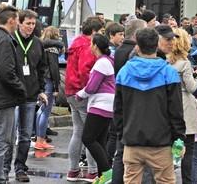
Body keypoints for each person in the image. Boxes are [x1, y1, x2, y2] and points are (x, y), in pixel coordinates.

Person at [114, 27, 184, 184]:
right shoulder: (168, 73)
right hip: (161, 142)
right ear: (157, 44)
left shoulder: (124, 72)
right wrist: (179, 138)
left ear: (137, 46)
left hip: (132, 140)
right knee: (165, 181)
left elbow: (118, 110)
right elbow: (176, 111)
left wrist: (122, 134)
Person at [0, 6, 35, 184]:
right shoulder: (3, 39)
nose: (19, 23)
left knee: (3, 138)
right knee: (2, 140)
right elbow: (6, 72)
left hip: (0, 94)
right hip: (4, 96)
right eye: (19, 20)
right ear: (12, 20)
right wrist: (21, 89)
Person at [11, 10, 51, 182]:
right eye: (28, 23)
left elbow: (41, 69)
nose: (31, 27)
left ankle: (20, 167)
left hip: (30, 95)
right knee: (9, 135)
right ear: (19, 23)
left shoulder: (37, 43)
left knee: (26, 135)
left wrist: (41, 89)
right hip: (11, 95)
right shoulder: (11, 40)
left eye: (33, 24)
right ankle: (3, 168)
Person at [159, 26, 197, 183]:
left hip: (168, 106)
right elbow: (192, 88)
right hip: (185, 106)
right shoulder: (184, 63)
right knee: (188, 151)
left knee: (170, 149)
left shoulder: (165, 62)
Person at [65, 17, 105, 182]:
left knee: (78, 132)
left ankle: (73, 170)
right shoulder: (88, 46)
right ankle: (92, 171)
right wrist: (91, 89)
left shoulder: (76, 42)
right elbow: (85, 72)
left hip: (70, 91)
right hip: (82, 93)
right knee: (91, 135)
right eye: (101, 32)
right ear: (94, 32)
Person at [110, 19, 147, 184]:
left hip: (122, 104)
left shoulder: (119, 50)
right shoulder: (132, 52)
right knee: (128, 154)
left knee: (120, 152)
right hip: (132, 106)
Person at [76, 34, 116, 180]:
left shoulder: (102, 63)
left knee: (88, 138)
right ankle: (104, 176)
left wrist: (80, 94)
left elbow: (92, 87)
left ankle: (107, 173)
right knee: (99, 142)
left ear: (95, 46)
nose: (90, 46)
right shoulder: (108, 61)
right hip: (108, 105)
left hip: (100, 105)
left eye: (91, 43)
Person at [35, 26, 64, 150]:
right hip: (49, 80)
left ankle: (38, 138)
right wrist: (57, 87)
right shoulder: (52, 50)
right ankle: (41, 139)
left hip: (42, 79)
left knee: (40, 110)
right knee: (45, 111)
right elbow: (54, 69)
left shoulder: (41, 46)